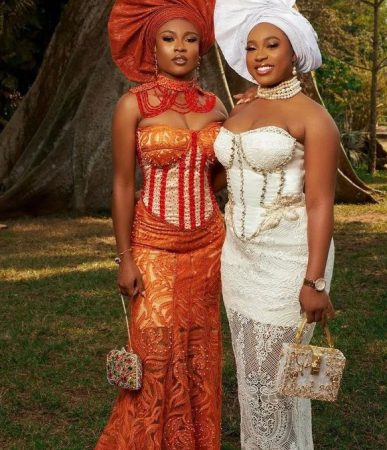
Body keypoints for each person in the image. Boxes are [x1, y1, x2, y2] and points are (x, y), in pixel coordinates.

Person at [95, 0, 227, 448]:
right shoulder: (132, 105)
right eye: (169, 39)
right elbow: (121, 184)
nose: (180, 47)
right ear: (153, 47)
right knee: (153, 355)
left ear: (201, 48)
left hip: (209, 245)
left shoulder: (216, 106)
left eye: (190, 39)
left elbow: (222, 170)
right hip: (151, 245)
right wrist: (125, 258)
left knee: (200, 354)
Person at [214, 0, 339, 448]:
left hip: (289, 263)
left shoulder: (314, 118)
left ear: (294, 53)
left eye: (272, 45)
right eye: (251, 47)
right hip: (237, 261)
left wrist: (314, 282)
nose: (260, 55)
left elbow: (321, 203)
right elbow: (225, 172)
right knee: (251, 382)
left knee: (277, 387)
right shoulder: (240, 109)